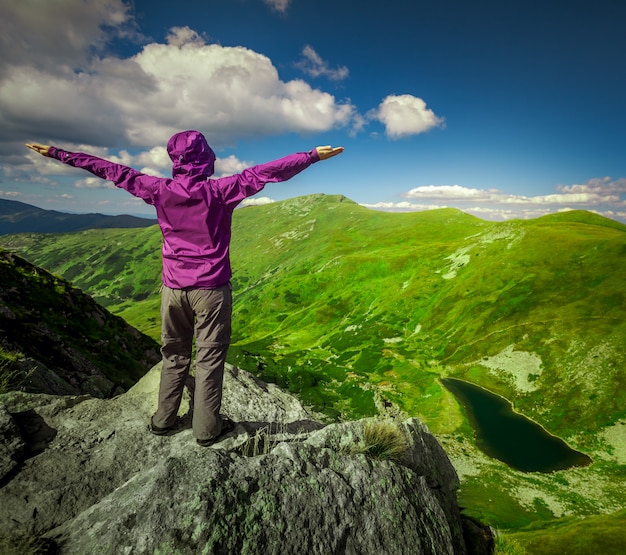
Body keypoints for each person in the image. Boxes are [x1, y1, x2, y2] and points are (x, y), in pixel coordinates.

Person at [26, 132, 344, 446]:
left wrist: (58, 153)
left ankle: (163, 421)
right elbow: (267, 172)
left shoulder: (158, 190)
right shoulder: (222, 190)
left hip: (173, 291)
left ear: (173, 160)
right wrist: (311, 155)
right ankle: (207, 430)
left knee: (174, 355)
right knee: (208, 358)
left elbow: (111, 169)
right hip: (211, 291)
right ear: (206, 157)